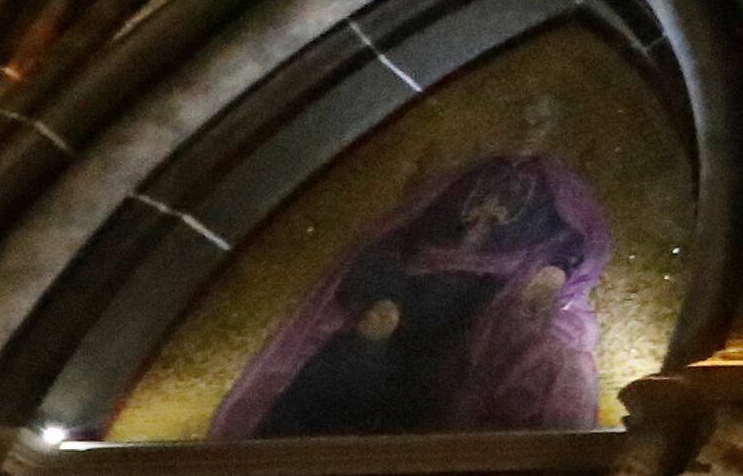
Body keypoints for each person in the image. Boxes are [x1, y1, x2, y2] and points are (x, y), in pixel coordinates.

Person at [216, 154, 611, 439]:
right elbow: (390, 243)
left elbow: (576, 243)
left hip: (482, 313)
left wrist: (552, 272)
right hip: (408, 301)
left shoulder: (555, 209)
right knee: (346, 360)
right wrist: (381, 297)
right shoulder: (452, 189)